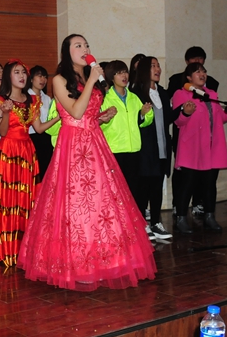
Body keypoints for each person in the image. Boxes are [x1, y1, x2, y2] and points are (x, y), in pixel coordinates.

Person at [18, 34, 156, 291]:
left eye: (87, 45)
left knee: (103, 201)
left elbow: (88, 115)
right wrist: (92, 81)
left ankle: (107, 261)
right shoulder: (59, 80)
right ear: (67, 51)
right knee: (77, 203)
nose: (85, 49)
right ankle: (78, 264)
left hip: (95, 142)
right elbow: (75, 111)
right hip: (73, 146)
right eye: (78, 46)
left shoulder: (88, 78)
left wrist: (101, 117)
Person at [0, 60, 59, 267]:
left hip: (27, 152)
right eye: (17, 72)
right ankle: (5, 249)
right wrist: (5, 112)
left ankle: (24, 249)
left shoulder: (32, 100)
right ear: (9, 76)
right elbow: (2, 132)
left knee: (27, 200)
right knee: (6, 200)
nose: (22, 76)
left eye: (24, 73)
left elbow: (39, 128)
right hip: (8, 152)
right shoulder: (0, 100)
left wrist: (59, 117)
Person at [172, 62, 227, 234]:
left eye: (204, 71)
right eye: (197, 72)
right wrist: (186, 113)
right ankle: (181, 218)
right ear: (189, 77)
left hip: (211, 147)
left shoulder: (211, 94)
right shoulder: (181, 94)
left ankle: (209, 216)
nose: (202, 74)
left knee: (209, 184)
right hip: (192, 147)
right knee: (187, 184)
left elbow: (220, 117)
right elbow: (178, 121)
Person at [100, 60, 154, 240]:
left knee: (133, 192)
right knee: (116, 194)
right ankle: (117, 229)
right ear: (111, 77)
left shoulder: (133, 97)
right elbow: (98, 124)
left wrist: (144, 114)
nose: (123, 76)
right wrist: (106, 119)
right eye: (118, 73)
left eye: (125, 72)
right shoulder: (105, 98)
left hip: (134, 151)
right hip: (115, 151)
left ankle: (134, 228)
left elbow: (145, 121)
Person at [167, 46, 219, 218]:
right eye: (194, 60)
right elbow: (174, 110)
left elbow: (215, 113)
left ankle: (199, 203)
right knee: (185, 175)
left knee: (206, 174)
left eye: (201, 60)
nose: (198, 63)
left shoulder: (212, 85)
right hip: (186, 135)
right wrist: (185, 112)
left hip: (206, 137)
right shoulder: (177, 82)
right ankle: (179, 207)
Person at [130, 57, 173, 240]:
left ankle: (156, 222)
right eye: (153, 66)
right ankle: (142, 224)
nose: (158, 69)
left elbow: (167, 119)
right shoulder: (136, 93)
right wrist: (141, 115)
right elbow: (131, 121)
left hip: (162, 147)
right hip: (145, 149)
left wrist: (183, 111)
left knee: (157, 187)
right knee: (143, 189)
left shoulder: (162, 92)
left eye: (158, 65)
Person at [27, 65, 54, 182]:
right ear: (31, 79)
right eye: (39, 76)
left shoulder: (47, 98)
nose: (43, 79)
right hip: (31, 137)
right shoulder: (26, 97)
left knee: (45, 172)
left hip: (46, 138)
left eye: (45, 76)